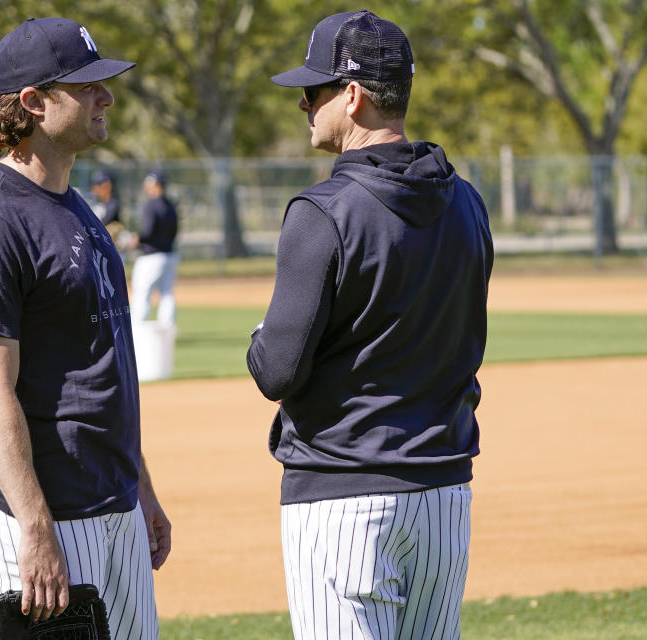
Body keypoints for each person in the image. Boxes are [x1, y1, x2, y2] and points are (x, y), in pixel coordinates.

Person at [246, 10, 493, 640]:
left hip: (343, 498)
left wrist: (259, 338)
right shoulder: (467, 202)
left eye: (314, 91)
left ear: (351, 96)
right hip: (444, 489)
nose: (304, 104)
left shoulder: (322, 212)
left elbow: (276, 370)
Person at [0, 17, 170, 639]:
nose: (106, 97)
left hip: (105, 498)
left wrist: (138, 485)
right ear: (34, 103)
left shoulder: (73, 206)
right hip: (36, 509)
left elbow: (99, 363)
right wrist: (33, 527)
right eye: (87, 86)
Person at [129, 171, 179, 325]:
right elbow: (175, 231)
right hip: (169, 255)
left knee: (142, 293)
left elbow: (147, 231)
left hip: (151, 256)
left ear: (155, 185)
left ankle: (137, 328)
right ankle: (167, 328)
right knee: (166, 293)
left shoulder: (151, 205)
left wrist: (136, 239)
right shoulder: (170, 206)